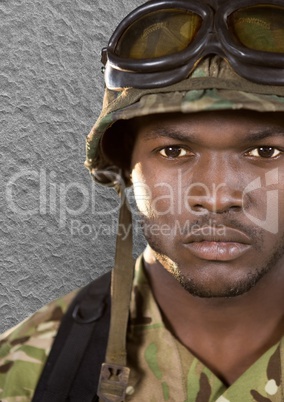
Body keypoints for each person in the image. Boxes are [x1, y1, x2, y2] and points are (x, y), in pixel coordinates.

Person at [1, 0, 284, 401]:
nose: (217, 196)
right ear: (125, 166)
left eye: (266, 153)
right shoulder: (23, 372)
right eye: (173, 152)